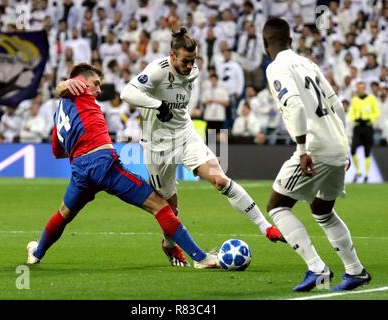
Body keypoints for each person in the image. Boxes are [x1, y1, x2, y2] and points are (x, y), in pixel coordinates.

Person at [25, 63, 219, 269]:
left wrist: (78, 148)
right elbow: (64, 86)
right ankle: (200, 258)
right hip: (103, 163)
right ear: (82, 80)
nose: (99, 89)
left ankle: (36, 253)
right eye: (96, 83)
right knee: (160, 205)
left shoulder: (59, 116)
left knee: (63, 213)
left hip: (80, 170)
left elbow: (57, 151)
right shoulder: (79, 87)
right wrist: (66, 83)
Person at [120, 27, 285, 268]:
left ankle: (265, 226)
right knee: (169, 207)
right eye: (185, 61)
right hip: (157, 146)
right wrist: (157, 105)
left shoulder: (194, 71)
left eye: (193, 60)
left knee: (220, 180)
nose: (190, 66)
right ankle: (168, 244)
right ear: (172, 56)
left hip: (186, 135)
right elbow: (127, 93)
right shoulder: (158, 70)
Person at [263, 18, 371, 292]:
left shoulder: (276, 67)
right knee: (322, 210)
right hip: (336, 144)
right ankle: (356, 271)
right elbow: (337, 105)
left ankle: (317, 268)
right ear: (290, 40)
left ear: (266, 43)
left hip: (314, 147)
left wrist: (301, 150)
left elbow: (296, 107)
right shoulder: (309, 64)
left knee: (277, 206)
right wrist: (342, 145)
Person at [348, 81, 380, 183]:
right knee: (352, 150)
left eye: (362, 88)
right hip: (358, 127)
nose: (360, 90)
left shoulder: (371, 99)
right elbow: (351, 114)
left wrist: (369, 119)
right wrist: (356, 119)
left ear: (365, 88)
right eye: (359, 88)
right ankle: (357, 171)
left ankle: (366, 174)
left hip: (367, 127)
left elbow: (377, 112)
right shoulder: (354, 100)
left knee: (367, 151)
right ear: (357, 89)